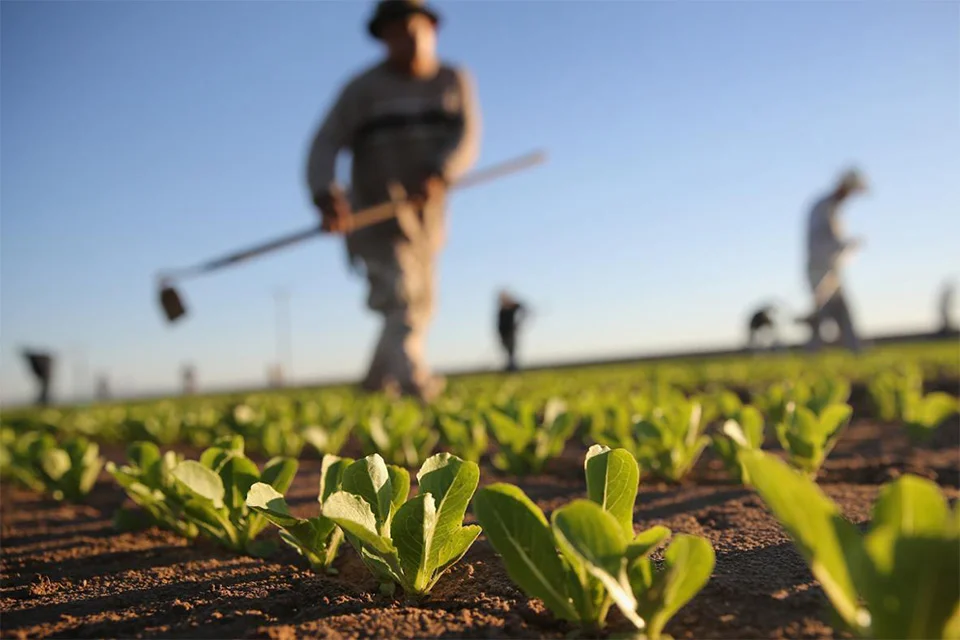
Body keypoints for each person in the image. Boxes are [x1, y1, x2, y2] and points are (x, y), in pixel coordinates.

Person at [306, 0, 480, 402]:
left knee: (422, 304)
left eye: (415, 29)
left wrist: (440, 171)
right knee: (401, 297)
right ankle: (415, 384)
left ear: (432, 29)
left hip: (426, 219)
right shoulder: (362, 91)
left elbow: (466, 137)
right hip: (375, 215)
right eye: (397, 32)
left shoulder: (453, 80)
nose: (409, 40)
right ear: (383, 38)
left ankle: (373, 384)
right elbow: (325, 143)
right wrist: (325, 193)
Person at [803, 168, 868, 353]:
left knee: (841, 310)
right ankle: (814, 351)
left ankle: (854, 349)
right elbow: (823, 240)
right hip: (820, 269)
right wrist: (847, 244)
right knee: (823, 311)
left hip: (831, 269)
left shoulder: (832, 209)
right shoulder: (823, 208)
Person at [497, 291, 527, 372]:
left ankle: (513, 368)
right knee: (507, 351)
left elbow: (523, 308)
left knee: (512, 351)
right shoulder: (501, 309)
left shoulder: (512, 306)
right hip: (503, 334)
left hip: (511, 333)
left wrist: (519, 322)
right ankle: (510, 366)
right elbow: (499, 324)